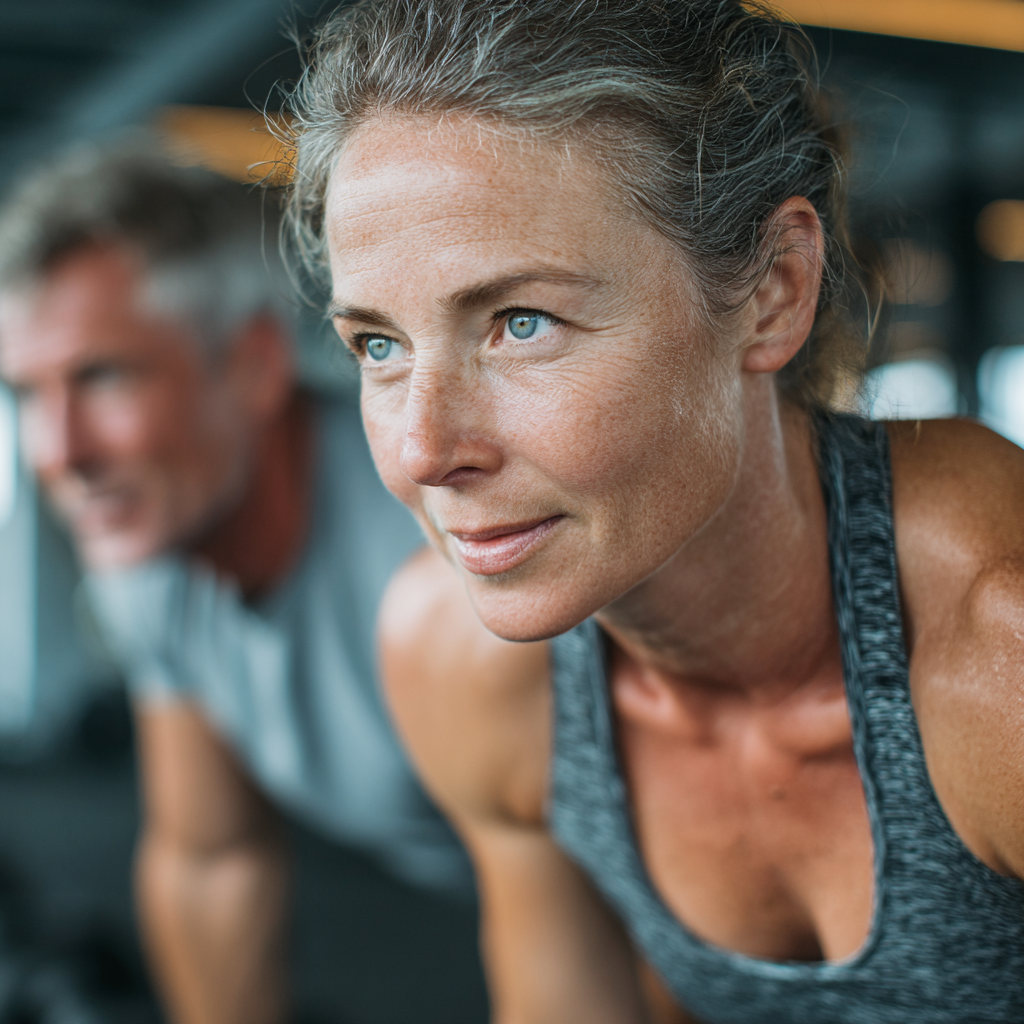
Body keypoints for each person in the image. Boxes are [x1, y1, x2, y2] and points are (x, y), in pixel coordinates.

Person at [282, 1, 1024, 1021]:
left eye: (519, 323)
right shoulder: (465, 665)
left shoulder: (999, 658)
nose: (422, 451)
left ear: (772, 290)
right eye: (378, 344)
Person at [0, 144, 480, 1024]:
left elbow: (625, 914)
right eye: (28, 393)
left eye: (103, 376)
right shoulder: (146, 557)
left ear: (256, 364)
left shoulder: (445, 560)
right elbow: (214, 859)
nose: (60, 453)